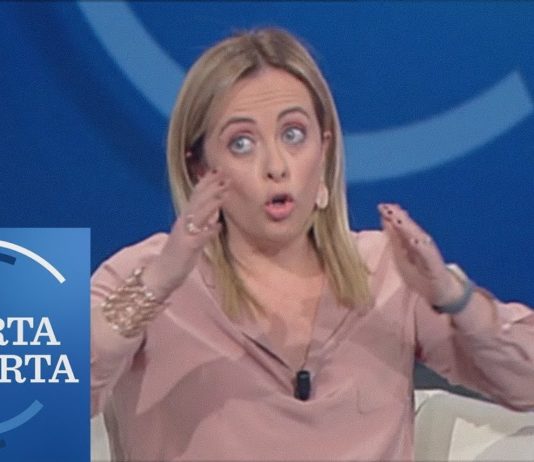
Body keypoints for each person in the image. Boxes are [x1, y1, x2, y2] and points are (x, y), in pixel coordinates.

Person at [91, 28, 534, 461]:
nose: (276, 166)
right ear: (201, 169)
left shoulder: (387, 272)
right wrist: (156, 286)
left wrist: (454, 298)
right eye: (241, 143)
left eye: (293, 134)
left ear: (324, 151)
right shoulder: (143, 272)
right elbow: (50, 402)